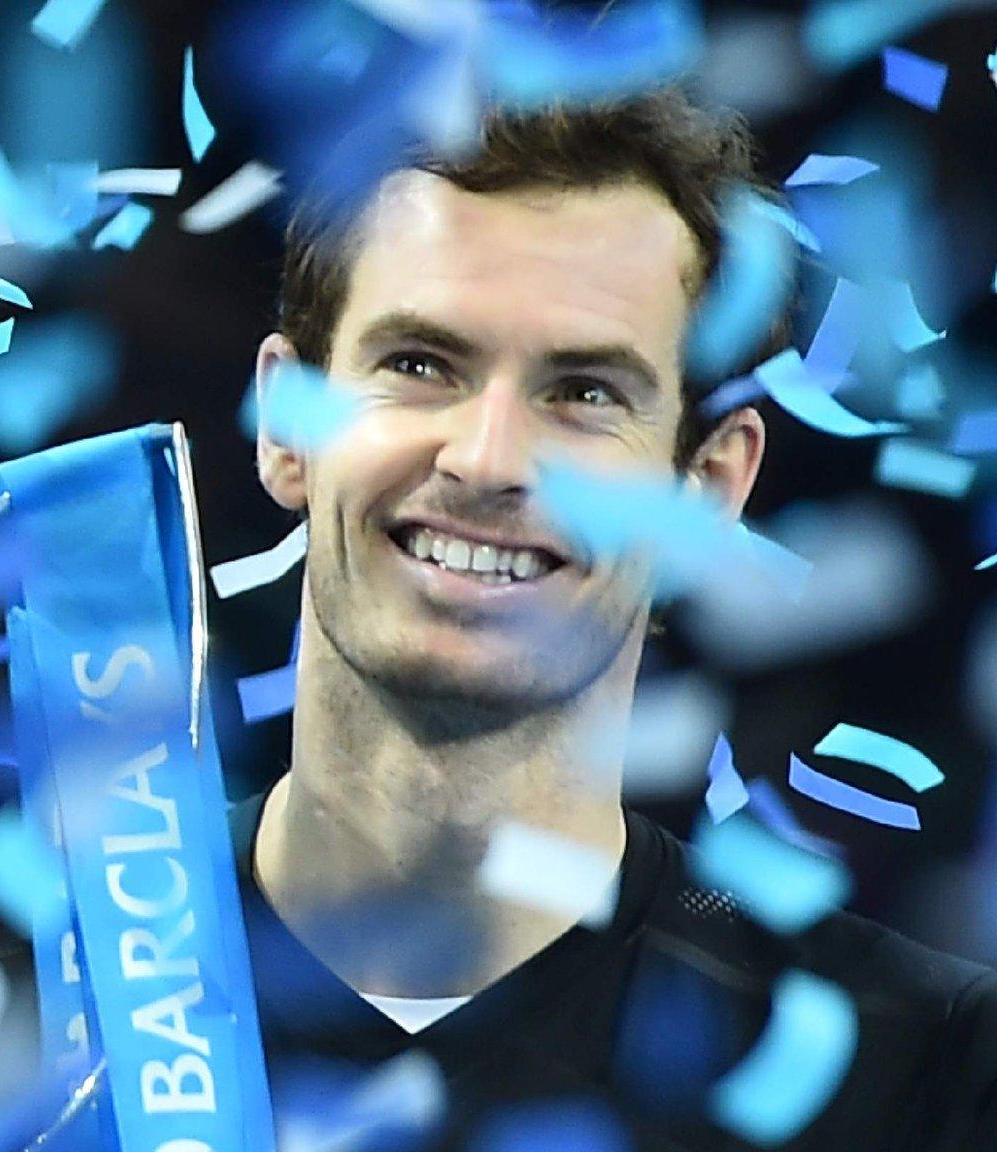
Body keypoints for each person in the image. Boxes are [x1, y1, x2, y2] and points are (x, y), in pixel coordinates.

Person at [237, 87, 997, 1148]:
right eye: (418, 365)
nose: (487, 460)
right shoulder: (16, 994)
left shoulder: (926, 1074)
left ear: (708, 488)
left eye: (584, 393)